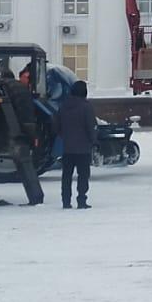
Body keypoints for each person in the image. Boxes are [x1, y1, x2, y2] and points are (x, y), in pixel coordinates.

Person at [55, 79, 98, 209]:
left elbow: (56, 124)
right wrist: (94, 141)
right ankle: (81, 200)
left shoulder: (63, 106)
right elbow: (91, 126)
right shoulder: (86, 106)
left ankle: (66, 201)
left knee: (66, 176)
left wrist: (64, 136)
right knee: (83, 176)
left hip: (67, 148)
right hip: (83, 148)